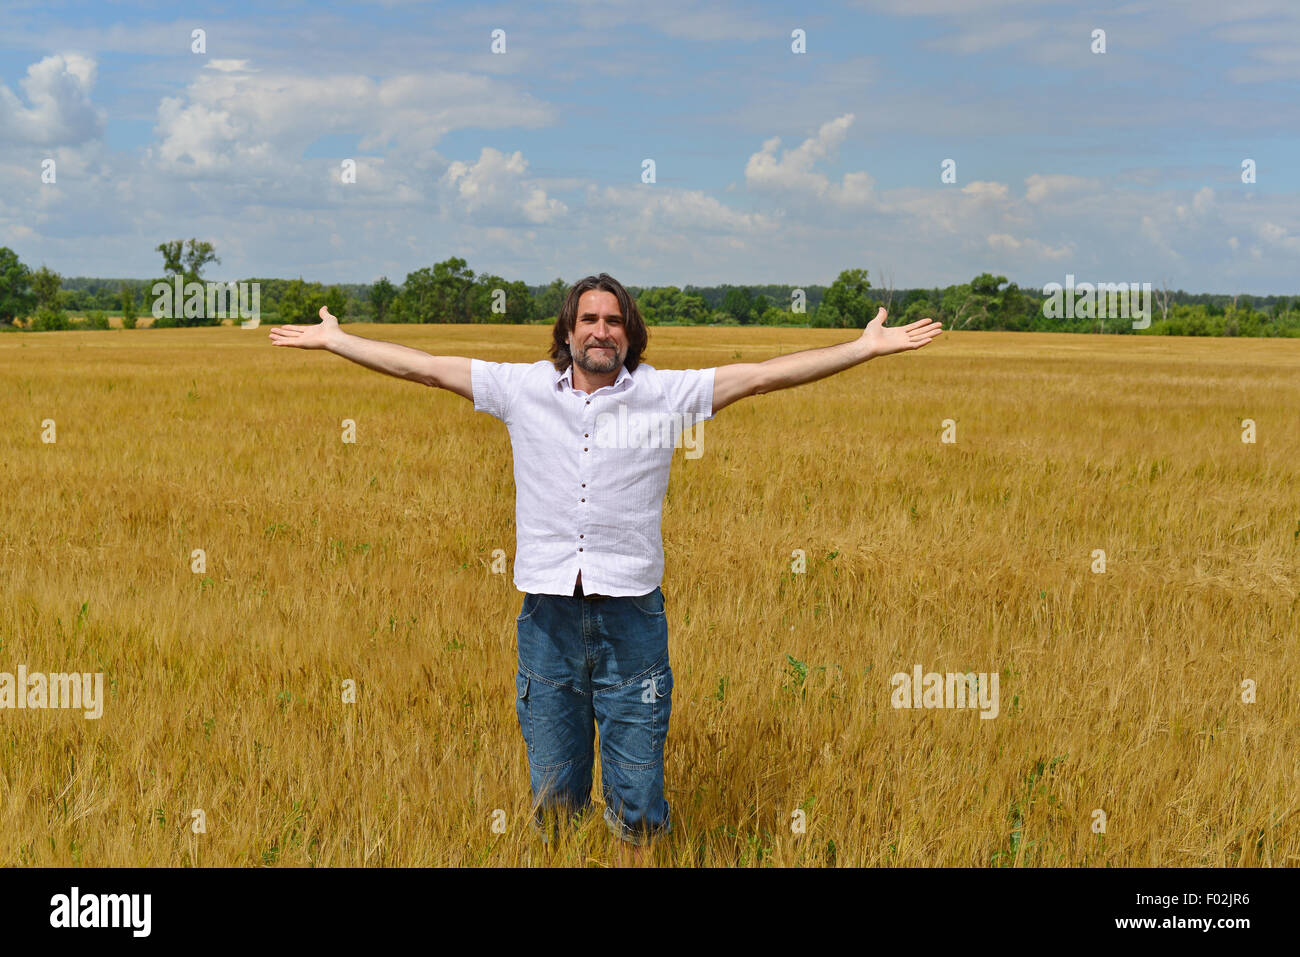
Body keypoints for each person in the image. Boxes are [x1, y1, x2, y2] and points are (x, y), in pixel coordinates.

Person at [269, 273, 941, 853]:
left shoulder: (665, 396)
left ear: (630, 333)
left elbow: (764, 376)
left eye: (613, 320)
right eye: (588, 318)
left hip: (632, 622)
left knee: (638, 796)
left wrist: (863, 348)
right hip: (547, 619)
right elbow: (421, 365)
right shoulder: (520, 388)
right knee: (556, 792)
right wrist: (337, 340)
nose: (600, 330)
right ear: (567, 330)